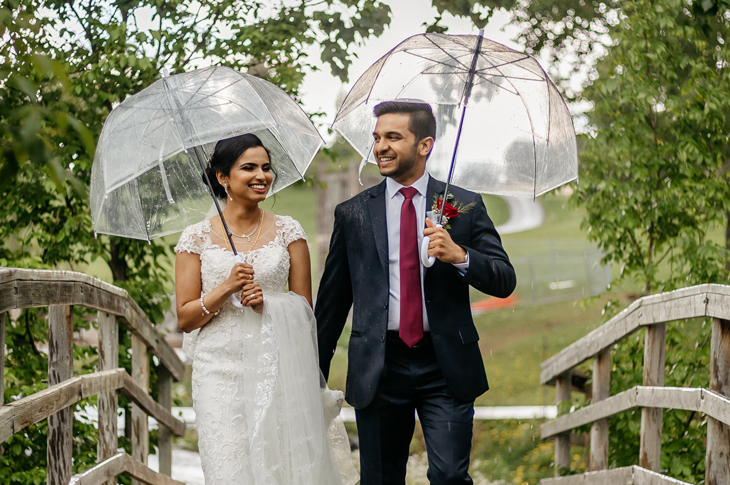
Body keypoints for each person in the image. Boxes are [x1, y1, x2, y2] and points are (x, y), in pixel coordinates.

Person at [315, 101, 516, 484]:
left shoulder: (464, 205)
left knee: (449, 476)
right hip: (379, 366)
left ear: (425, 145)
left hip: (446, 366)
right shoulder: (352, 214)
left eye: (394, 137)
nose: (380, 147)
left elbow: (504, 279)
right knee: (380, 480)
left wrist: (459, 255)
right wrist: (314, 376)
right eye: (377, 138)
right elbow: (332, 303)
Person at [174, 134, 357, 485]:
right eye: (249, 168)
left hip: (277, 368)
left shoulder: (289, 231)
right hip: (219, 373)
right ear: (222, 177)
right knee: (228, 471)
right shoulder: (194, 238)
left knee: (280, 468)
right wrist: (226, 288)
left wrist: (268, 302)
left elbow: (305, 308)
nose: (262, 175)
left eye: (266, 167)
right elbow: (185, 317)